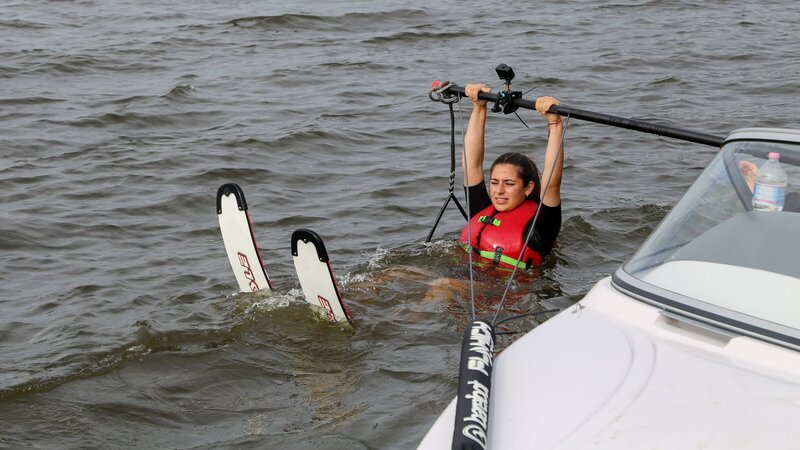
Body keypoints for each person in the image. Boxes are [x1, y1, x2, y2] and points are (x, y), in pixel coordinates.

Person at [459, 83, 565, 270]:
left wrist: (555, 123)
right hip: (470, 278)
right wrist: (478, 107)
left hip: (509, 293)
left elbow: (552, 185)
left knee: (442, 286)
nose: (499, 191)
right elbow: (471, 165)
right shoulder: (483, 210)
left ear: (528, 188)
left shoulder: (541, 227)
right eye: (494, 182)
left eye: (509, 183)